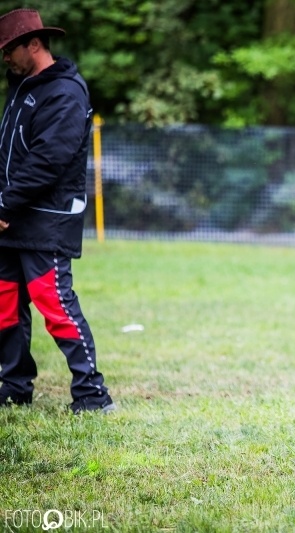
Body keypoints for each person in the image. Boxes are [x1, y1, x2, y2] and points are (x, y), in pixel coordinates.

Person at [0, 8, 115, 414]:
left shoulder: (65, 92)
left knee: (55, 304)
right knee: (5, 304)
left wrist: (5, 203)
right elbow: (9, 154)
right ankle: (14, 387)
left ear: (34, 44)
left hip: (47, 219)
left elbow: (49, 159)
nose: (5, 58)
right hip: (11, 218)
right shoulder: (20, 87)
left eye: (9, 49)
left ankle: (92, 395)